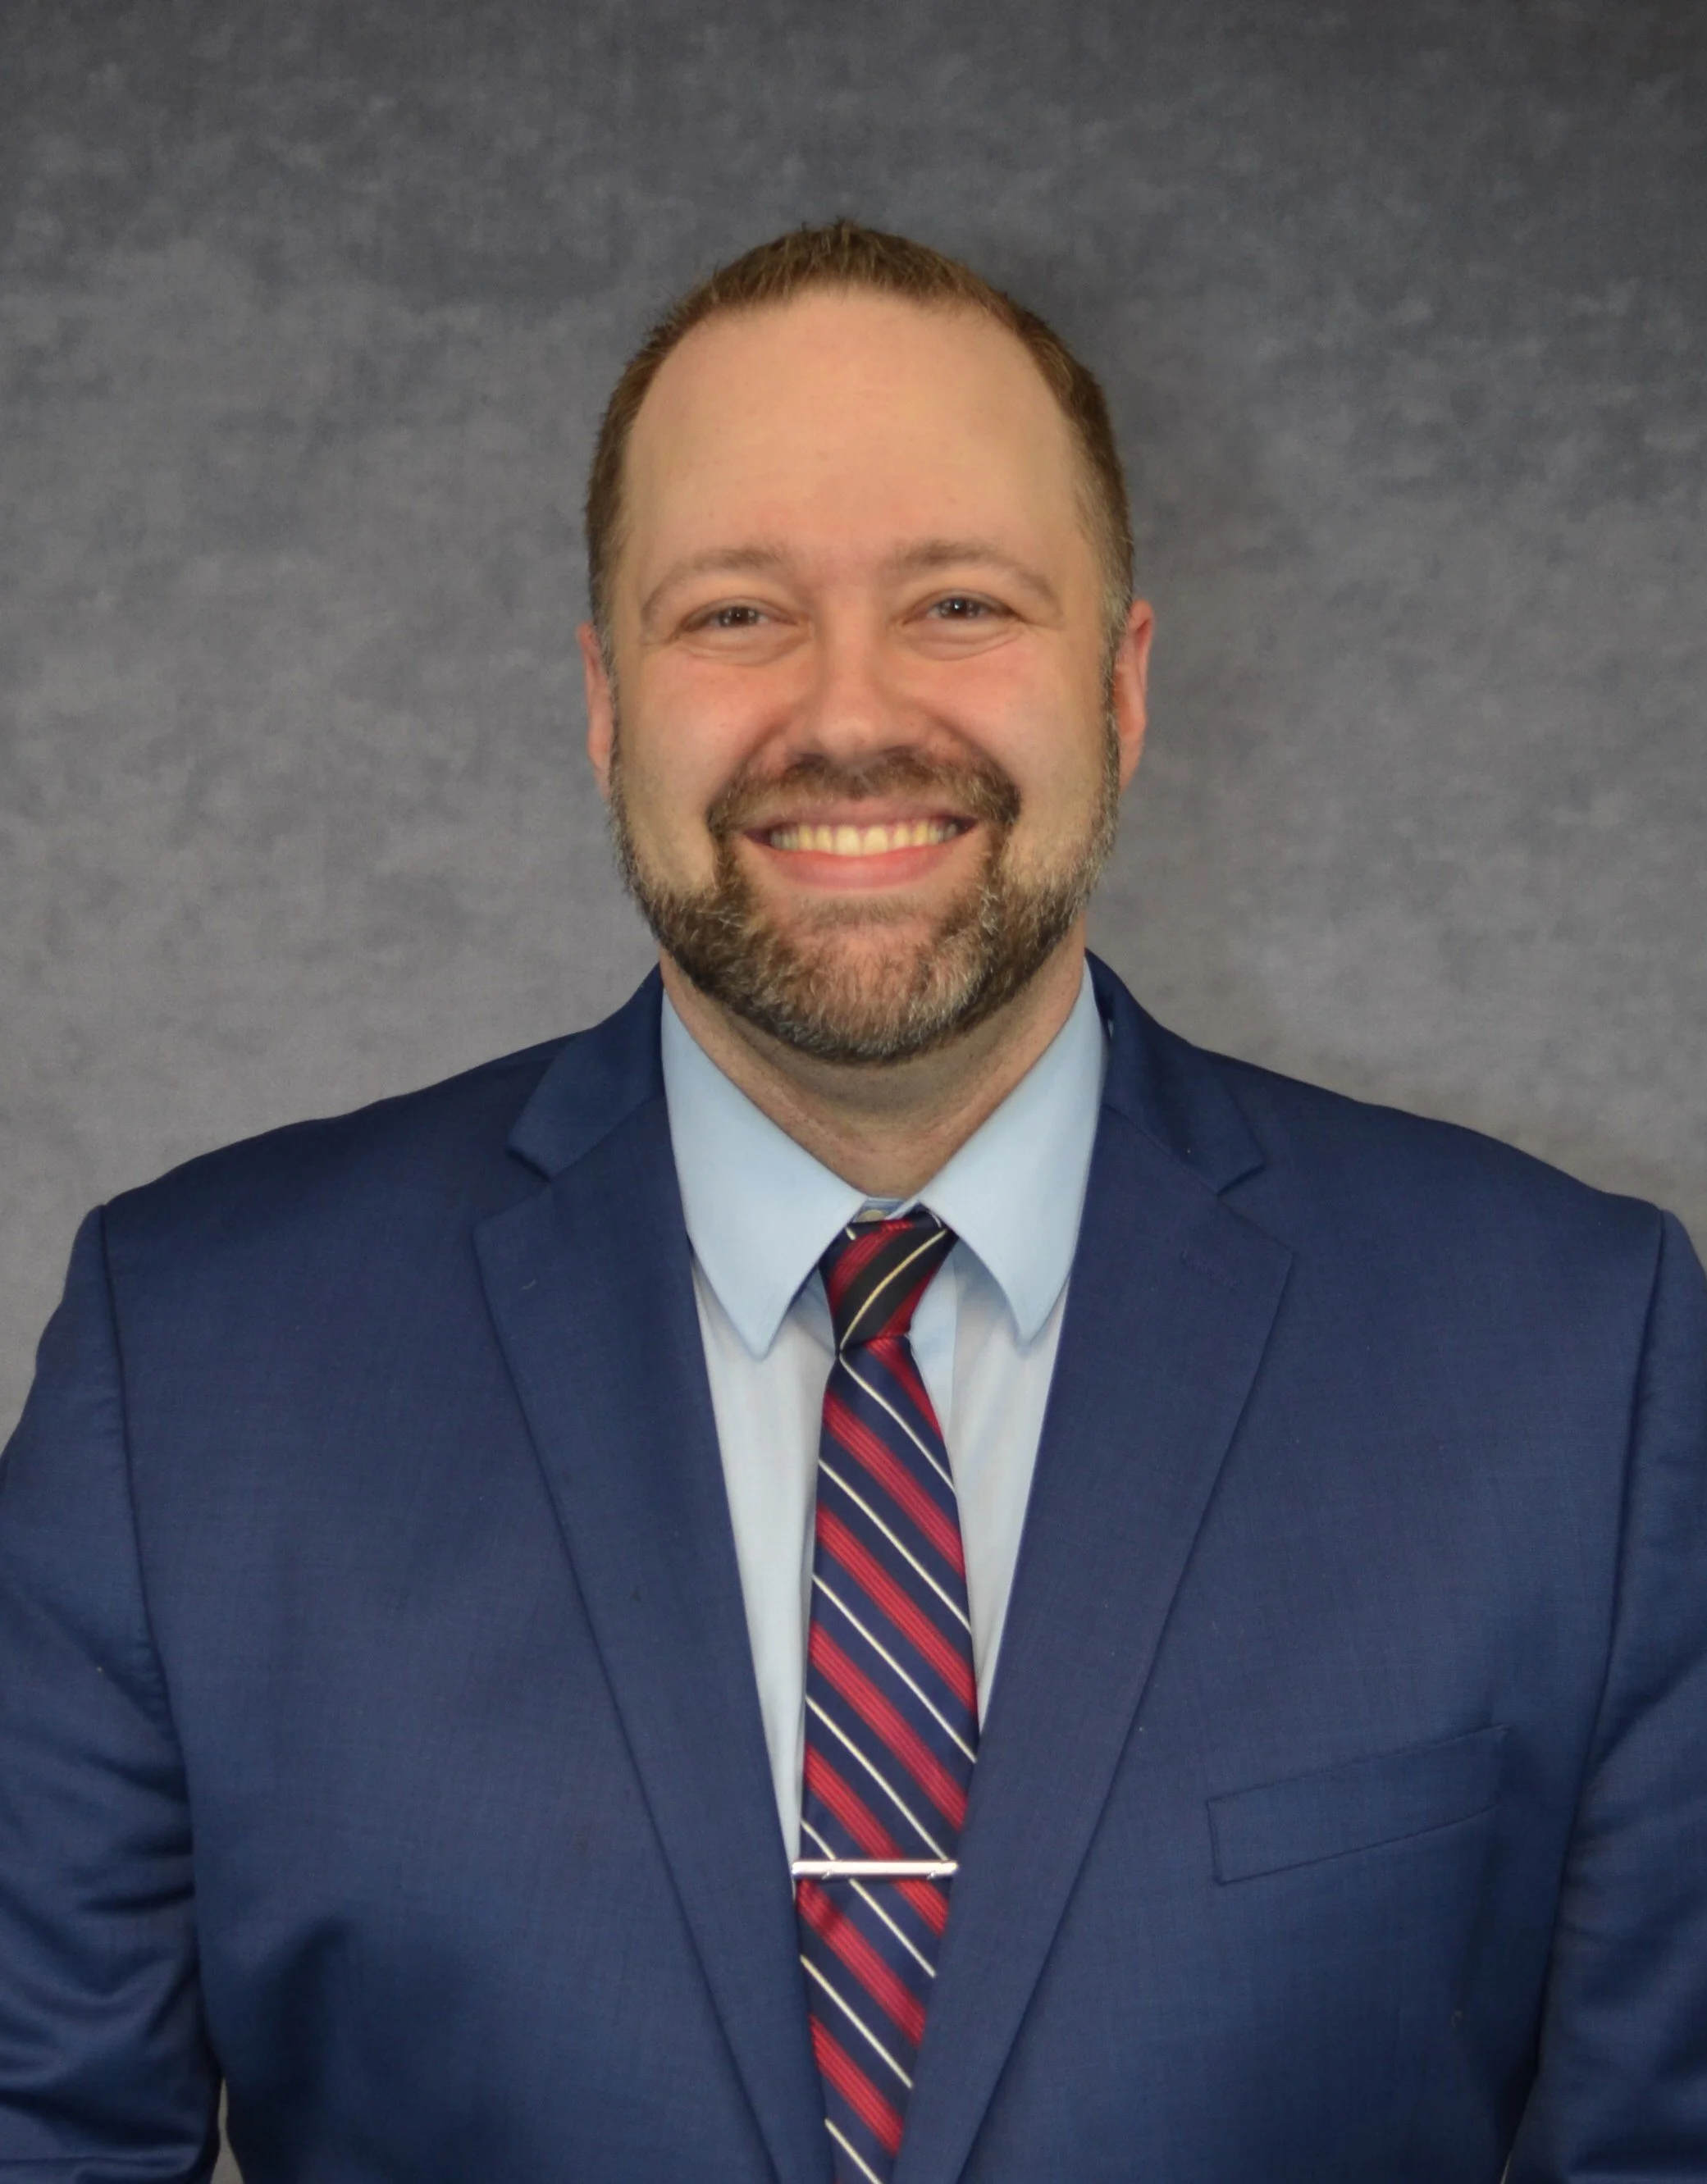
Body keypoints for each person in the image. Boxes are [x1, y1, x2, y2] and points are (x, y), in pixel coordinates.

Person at [1, 220, 1703, 2184]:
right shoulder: (192, 1371)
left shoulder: (1571, 1365)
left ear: (1122, 682)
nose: (845, 712)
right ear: (604, 697)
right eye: (734, 612)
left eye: (958, 602)